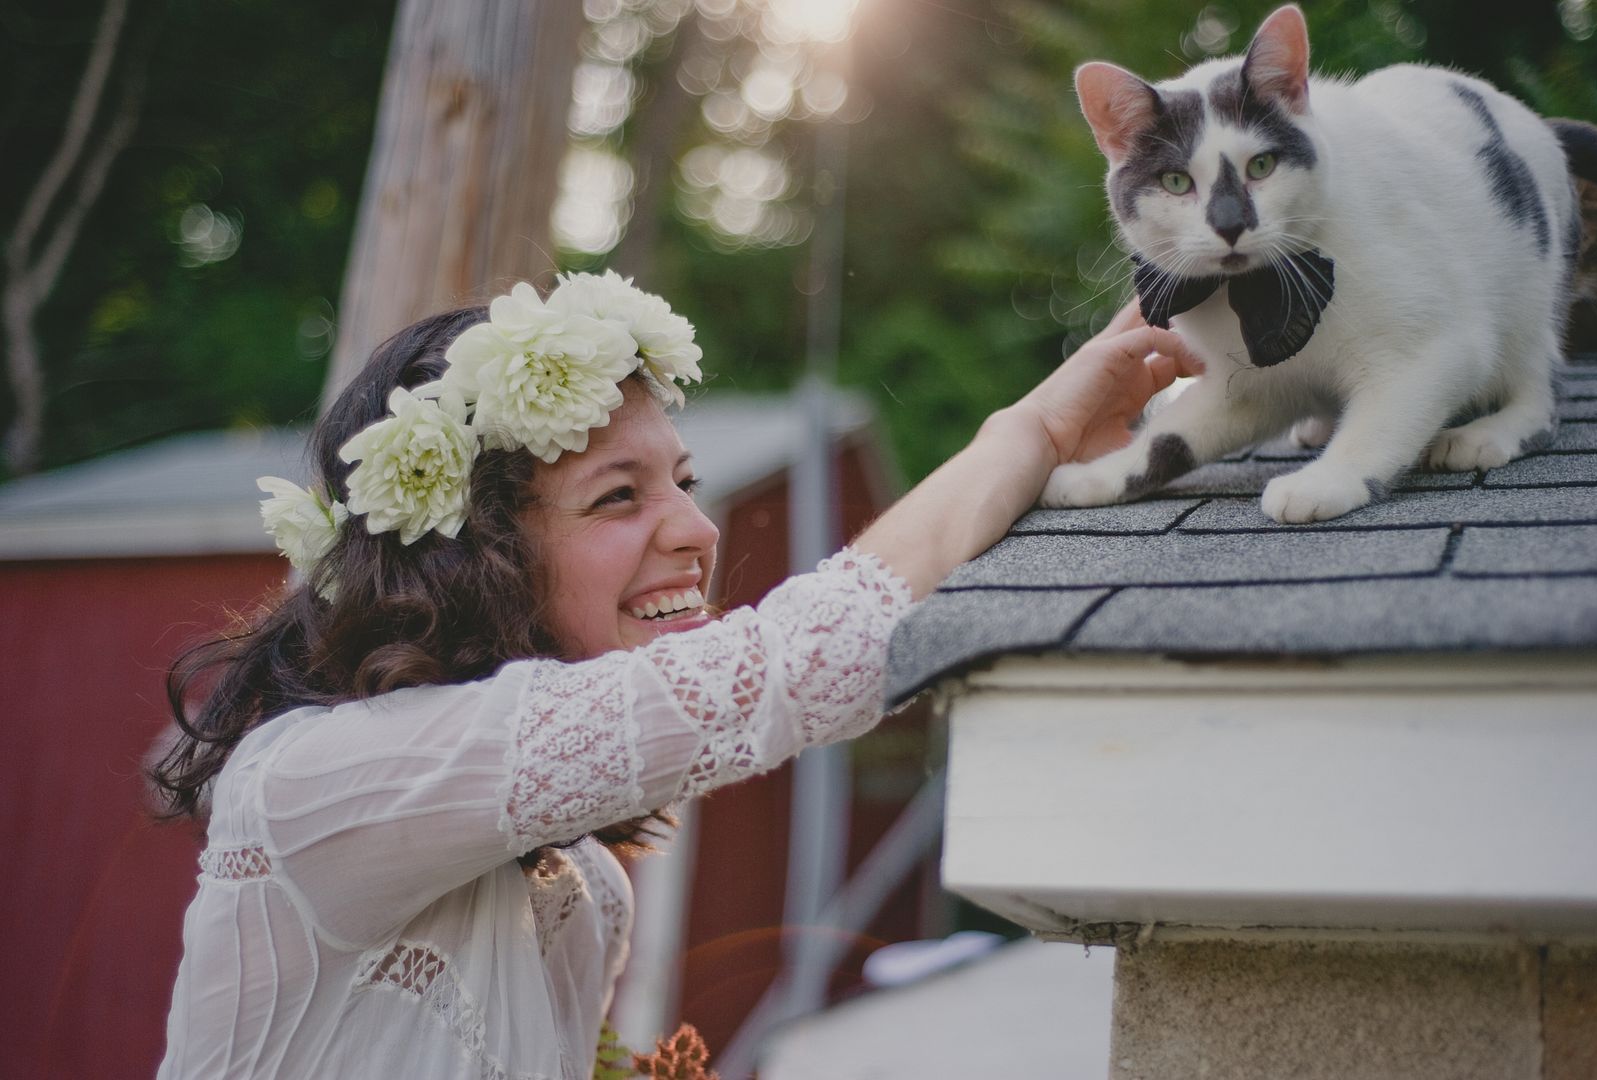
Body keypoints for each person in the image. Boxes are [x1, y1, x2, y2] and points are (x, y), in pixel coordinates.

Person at [151, 272, 1199, 1079]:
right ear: (475, 553)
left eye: (684, 484)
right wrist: (1037, 429)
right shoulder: (315, 777)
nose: (697, 531)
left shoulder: (577, 883)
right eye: (618, 498)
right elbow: (784, 662)